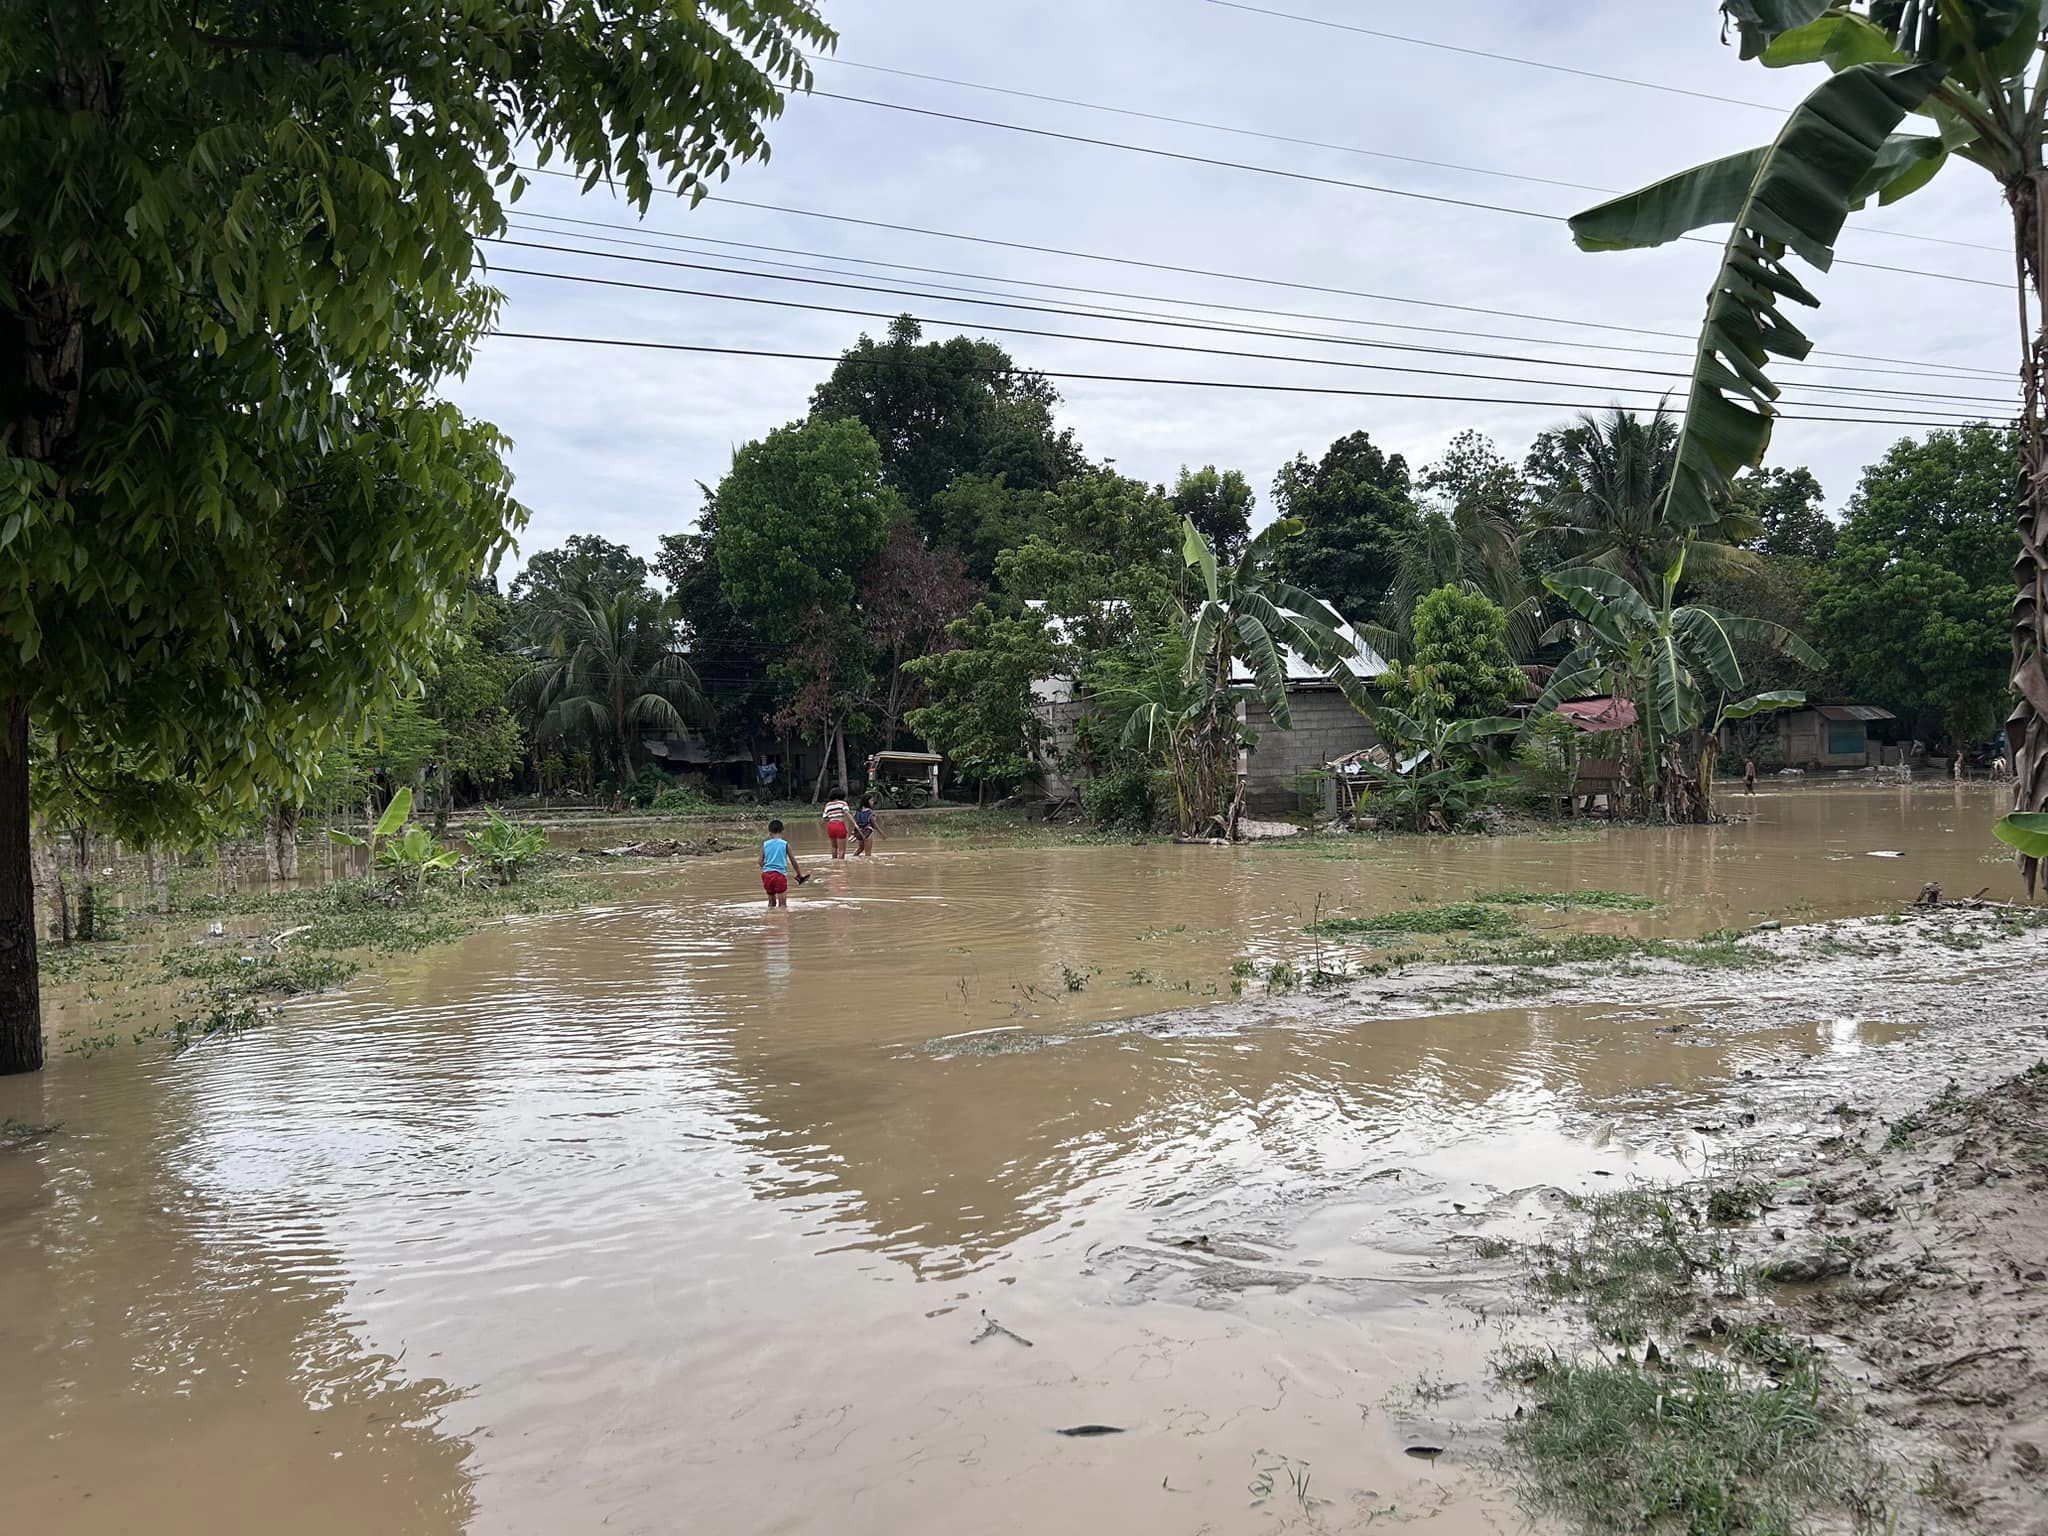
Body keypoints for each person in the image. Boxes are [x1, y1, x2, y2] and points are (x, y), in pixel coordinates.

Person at [760, 818, 805, 908]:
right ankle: (781, 921)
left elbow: (759, 862)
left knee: (771, 904)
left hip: (766, 875)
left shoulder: (765, 844)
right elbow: (793, 862)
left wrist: (768, 868)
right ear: (782, 832)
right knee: (783, 905)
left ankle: (771, 920)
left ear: (769, 833)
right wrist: (799, 874)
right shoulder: (785, 844)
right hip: (779, 876)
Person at [821, 789, 853, 859]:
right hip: (839, 825)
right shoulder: (843, 803)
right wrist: (855, 824)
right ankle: (840, 865)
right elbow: (847, 813)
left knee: (834, 847)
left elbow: (825, 818)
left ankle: (834, 862)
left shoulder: (828, 805)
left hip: (831, 826)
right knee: (841, 850)